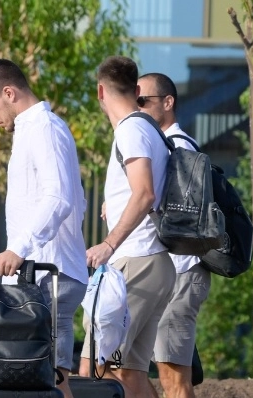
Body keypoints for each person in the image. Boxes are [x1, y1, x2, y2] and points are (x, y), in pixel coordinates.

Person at [0, 58, 89, 398]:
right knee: (38, 380)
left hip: (51, 275)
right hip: (44, 273)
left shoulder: (44, 129)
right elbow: (74, 199)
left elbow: (58, 197)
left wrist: (19, 247)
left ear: (9, 92)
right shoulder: (34, 131)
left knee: (46, 380)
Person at [82, 56, 176, 398]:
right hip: (154, 262)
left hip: (134, 261)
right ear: (137, 90)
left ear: (100, 92)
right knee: (130, 375)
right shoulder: (148, 128)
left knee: (94, 368)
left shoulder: (130, 130)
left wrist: (108, 244)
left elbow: (145, 193)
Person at [138, 72, 211, 398]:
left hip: (181, 272)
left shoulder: (178, 149)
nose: (136, 108)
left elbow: (182, 217)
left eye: (143, 101)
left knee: (173, 379)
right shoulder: (166, 147)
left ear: (168, 103)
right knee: (141, 371)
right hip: (172, 274)